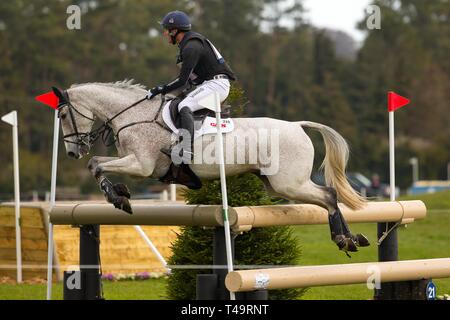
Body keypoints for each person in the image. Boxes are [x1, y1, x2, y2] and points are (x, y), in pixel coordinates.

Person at [147, 10, 236, 163]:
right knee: (180, 102)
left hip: (216, 84)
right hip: (211, 83)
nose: (165, 34)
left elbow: (181, 81)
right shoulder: (188, 43)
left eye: (167, 30)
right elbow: (190, 80)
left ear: (175, 31)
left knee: (184, 106)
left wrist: (159, 89)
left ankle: (186, 149)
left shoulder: (191, 47)